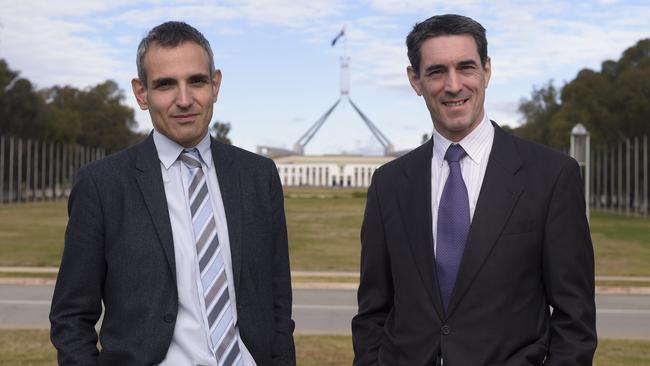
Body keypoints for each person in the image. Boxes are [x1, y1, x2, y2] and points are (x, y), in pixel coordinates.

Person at [352, 14, 596, 365]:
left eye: (466, 68)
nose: (453, 85)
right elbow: (373, 310)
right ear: (415, 80)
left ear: (487, 71)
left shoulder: (552, 176)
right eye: (436, 71)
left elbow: (576, 318)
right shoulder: (389, 184)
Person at [50, 21, 295, 365]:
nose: (184, 100)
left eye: (196, 81)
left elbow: (278, 302)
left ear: (216, 84)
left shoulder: (258, 175)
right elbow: (71, 317)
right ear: (141, 93)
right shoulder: (102, 185)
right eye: (165, 85)